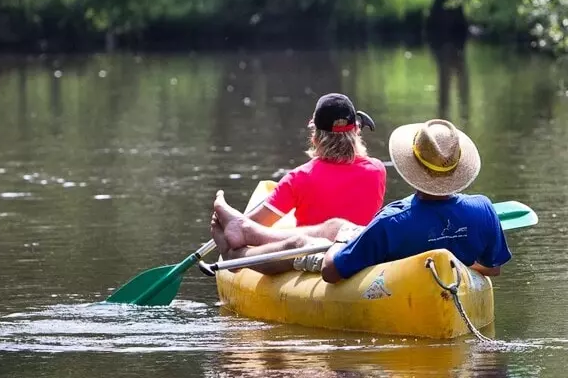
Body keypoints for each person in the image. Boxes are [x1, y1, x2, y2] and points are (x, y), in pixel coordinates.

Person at [212, 119, 510, 280]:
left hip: (377, 266)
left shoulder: (392, 220)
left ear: (411, 168)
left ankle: (236, 255)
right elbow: (493, 267)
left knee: (302, 244)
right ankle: (248, 230)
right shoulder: (483, 209)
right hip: (414, 259)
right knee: (336, 225)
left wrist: (340, 244)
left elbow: (330, 271)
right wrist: (455, 263)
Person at [233, 92, 386, 229]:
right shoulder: (377, 170)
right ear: (356, 131)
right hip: (359, 250)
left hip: (311, 251)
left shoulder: (297, 179)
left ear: (315, 137)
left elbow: (247, 226)